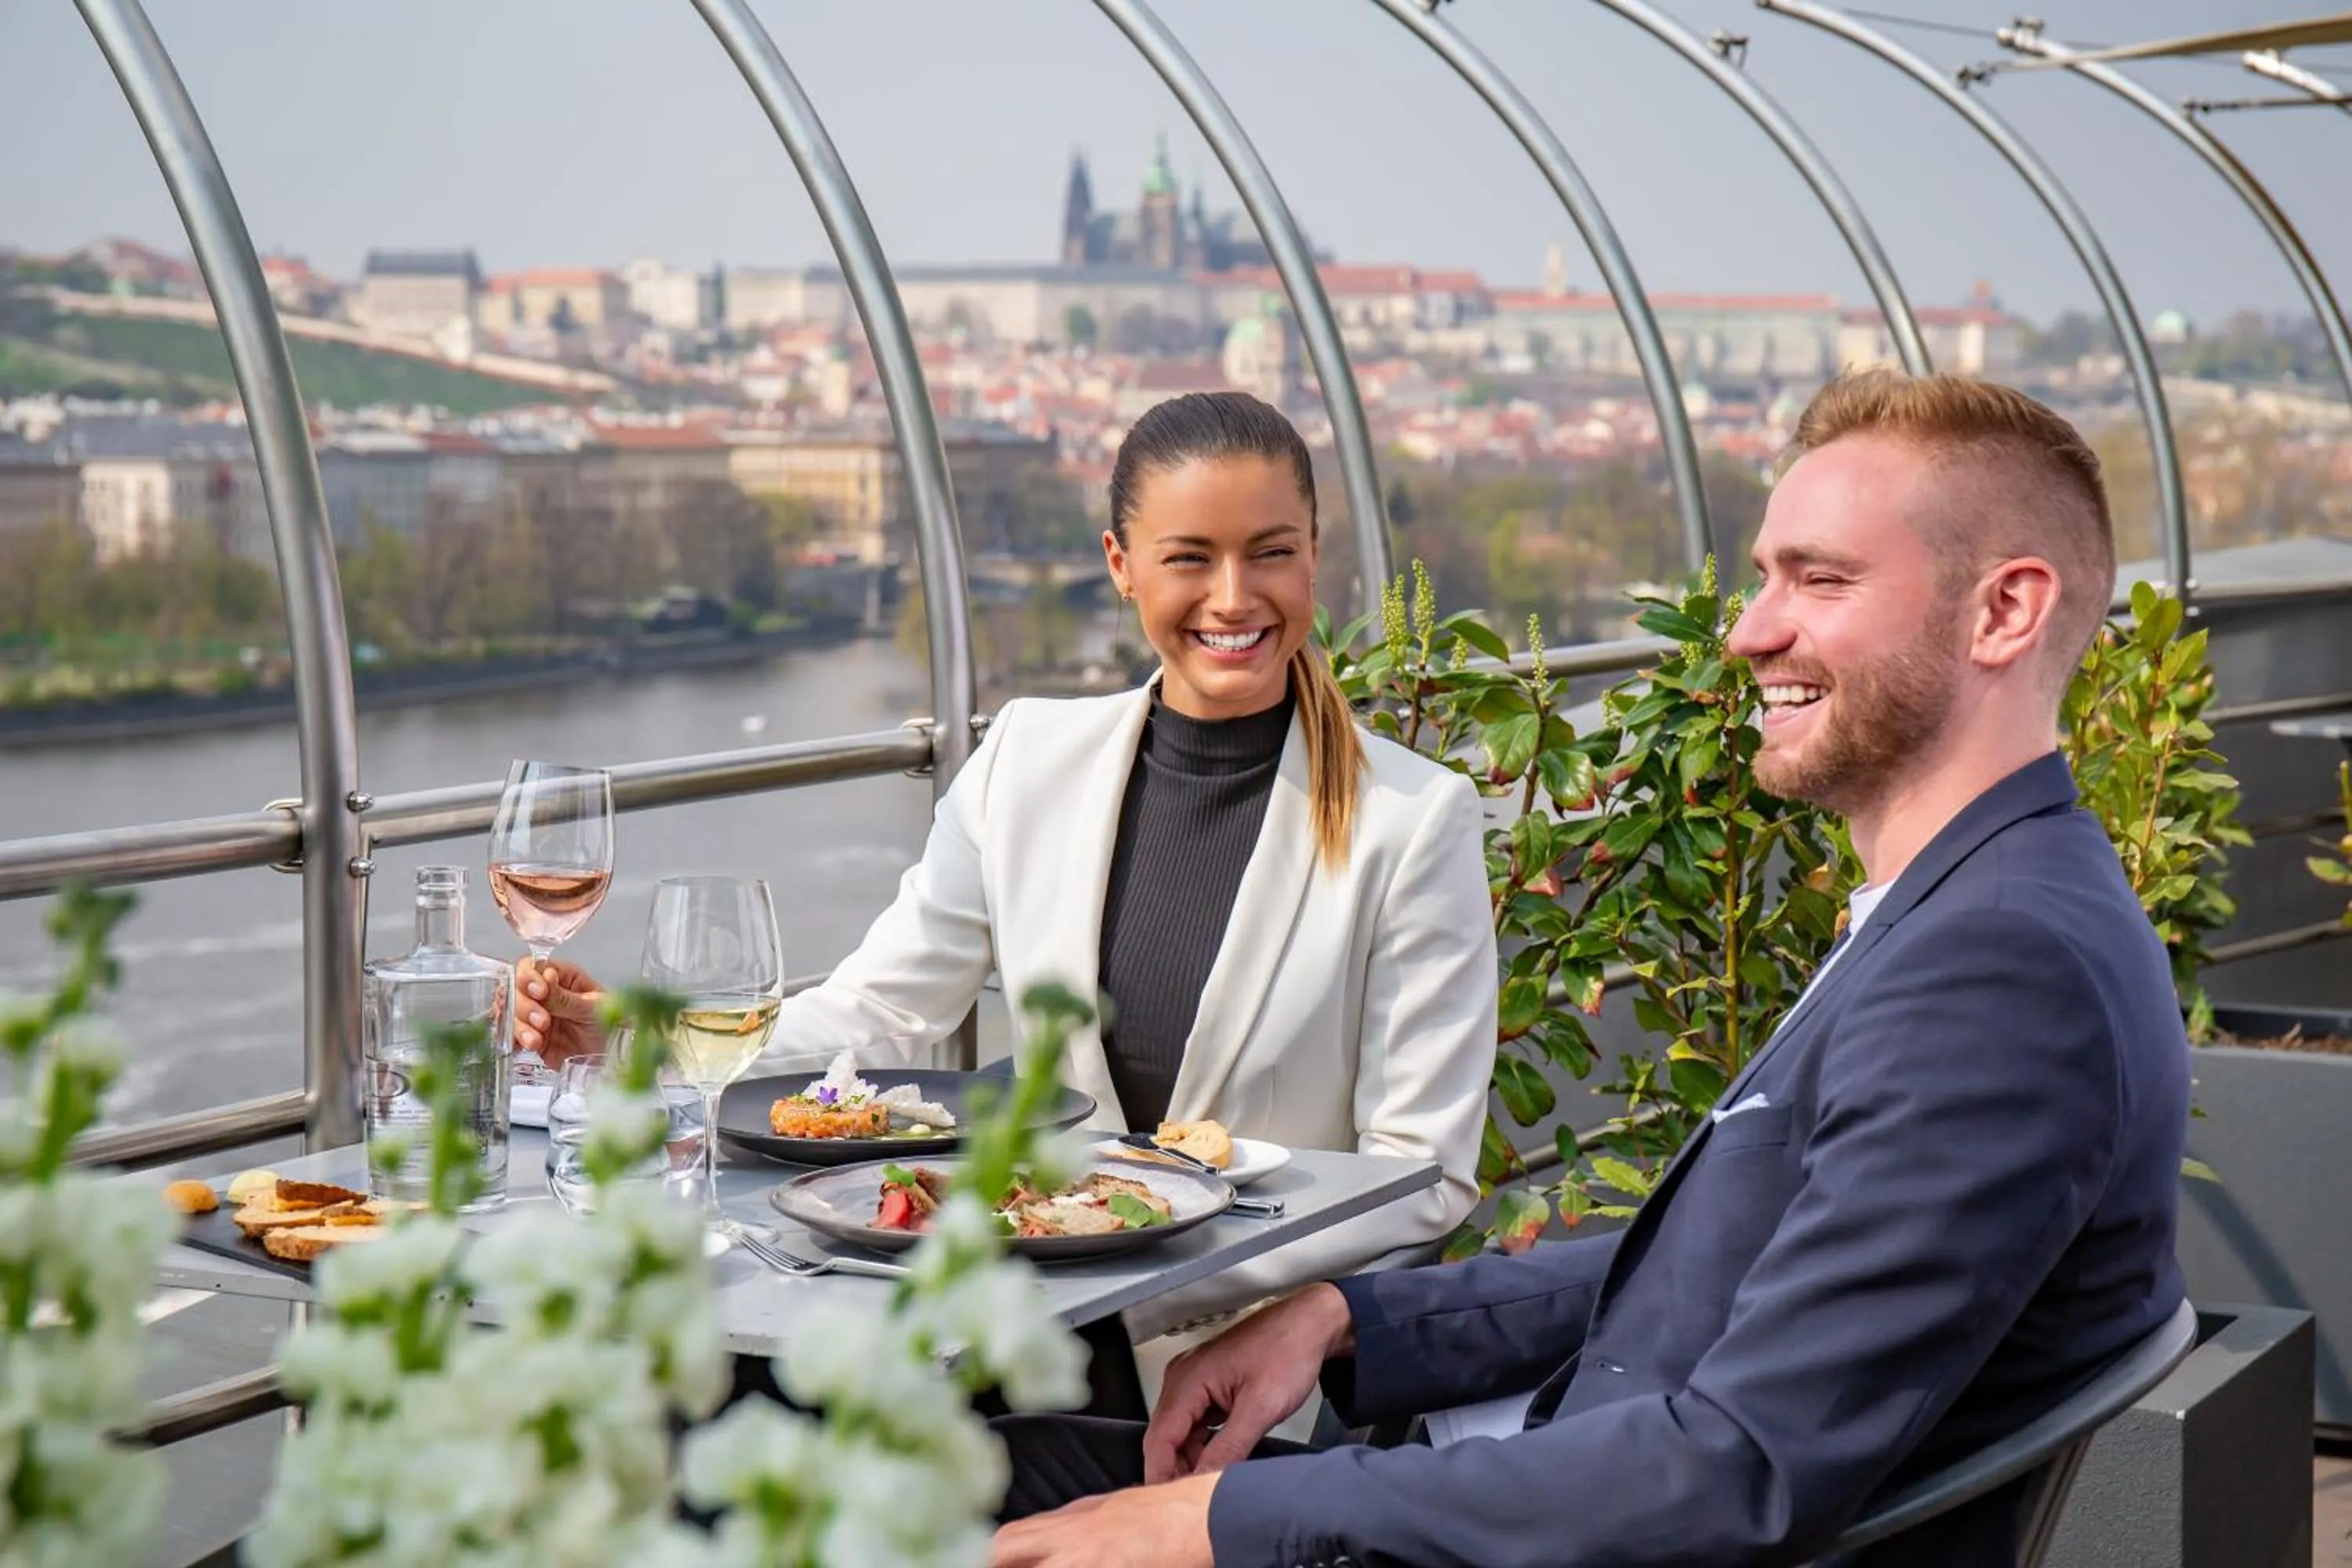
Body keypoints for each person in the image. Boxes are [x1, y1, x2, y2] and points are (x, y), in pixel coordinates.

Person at [985, 370, 2192, 1568]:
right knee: (1001, 1465)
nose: (1748, 628)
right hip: (1560, 1480)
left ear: (2004, 613)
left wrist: (1227, 1523)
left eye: (1820, 579)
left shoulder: (1995, 971)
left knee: (958, 1487)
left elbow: (1737, 1472)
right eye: (1767, 574)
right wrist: (1347, 1317)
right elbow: (1725, 1261)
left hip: (1591, 1529)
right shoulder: (1974, 911)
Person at [516, 389, 1497, 1363]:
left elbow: (1423, 1178)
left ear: (1315, 555)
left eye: (1271, 551)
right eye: (1189, 557)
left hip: (1229, 1367)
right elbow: (880, 1015)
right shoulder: (1027, 757)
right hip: (1005, 1336)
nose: (1234, 597)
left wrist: (1137, 1277)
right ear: (1121, 566)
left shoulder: (1412, 821)